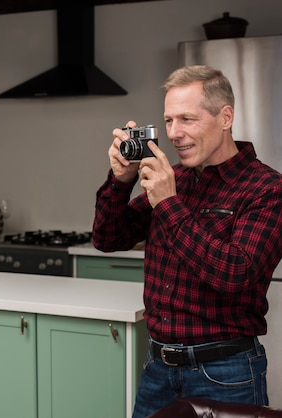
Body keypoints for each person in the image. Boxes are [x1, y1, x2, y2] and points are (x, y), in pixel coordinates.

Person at [92, 65, 282, 417]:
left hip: (226, 372)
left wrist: (168, 203)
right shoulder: (173, 178)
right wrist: (121, 181)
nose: (175, 134)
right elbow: (107, 237)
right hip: (157, 368)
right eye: (168, 121)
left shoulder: (267, 189)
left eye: (188, 119)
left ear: (225, 117)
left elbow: (235, 274)